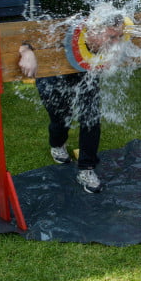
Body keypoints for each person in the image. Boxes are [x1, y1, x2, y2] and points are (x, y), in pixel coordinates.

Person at [18, 13, 125, 193]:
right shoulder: (68, 27)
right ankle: (57, 144)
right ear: (92, 32)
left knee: (91, 119)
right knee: (61, 119)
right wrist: (26, 51)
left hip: (85, 75)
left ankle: (86, 168)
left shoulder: (112, 38)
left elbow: (139, 35)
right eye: (111, 37)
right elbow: (30, 36)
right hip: (53, 76)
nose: (116, 43)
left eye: (119, 37)